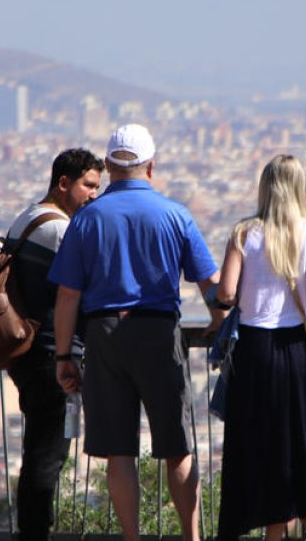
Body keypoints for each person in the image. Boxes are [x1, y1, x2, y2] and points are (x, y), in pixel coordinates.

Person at [49, 124, 221, 541]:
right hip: (158, 333)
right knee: (176, 445)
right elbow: (211, 285)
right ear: (152, 167)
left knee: (118, 449)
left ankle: (131, 538)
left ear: (108, 166)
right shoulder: (175, 214)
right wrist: (219, 323)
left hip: (103, 333)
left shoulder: (87, 219)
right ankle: (191, 537)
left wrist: (63, 356)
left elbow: (68, 296)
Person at [213, 155, 306, 541]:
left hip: (252, 350)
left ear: (265, 186)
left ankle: (243, 526)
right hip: (295, 349)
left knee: (252, 441)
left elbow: (227, 292)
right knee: (295, 441)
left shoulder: (244, 232)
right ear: (300, 187)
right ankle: (291, 527)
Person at [4, 148, 103, 541]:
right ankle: (34, 533)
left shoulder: (25, 219)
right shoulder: (61, 230)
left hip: (26, 353)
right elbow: (81, 289)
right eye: (88, 185)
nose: (94, 195)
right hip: (52, 356)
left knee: (38, 454)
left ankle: (30, 530)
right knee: (48, 458)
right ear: (64, 183)